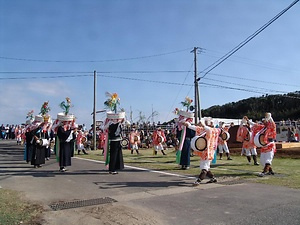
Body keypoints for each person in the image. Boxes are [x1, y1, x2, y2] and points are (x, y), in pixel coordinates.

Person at [185, 117, 221, 185]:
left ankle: (198, 181)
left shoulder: (215, 130)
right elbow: (196, 128)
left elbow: (208, 130)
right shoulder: (204, 129)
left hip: (209, 152)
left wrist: (203, 124)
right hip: (204, 152)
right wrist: (188, 125)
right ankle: (213, 178)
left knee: (204, 168)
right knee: (205, 167)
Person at [103, 92, 125, 174]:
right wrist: (112, 123)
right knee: (113, 155)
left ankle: (116, 167)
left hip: (118, 139)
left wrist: (121, 120)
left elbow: (127, 123)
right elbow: (104, 128)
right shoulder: (110, 123)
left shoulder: (119, 123)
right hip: (113, 140)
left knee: (118, 154)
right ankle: (112, 168)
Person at [251, 113, 277, 177]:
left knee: (268, 159)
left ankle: (264, 172)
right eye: (263, 121)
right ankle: (270, 171)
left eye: (264, 121)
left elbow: (273, 123)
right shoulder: (263, 128)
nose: (263, 122)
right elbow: (255, 125)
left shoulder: (271, 127)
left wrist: (270, 117)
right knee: (262, 161)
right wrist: (248, 121)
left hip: (270, 145)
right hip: (264, 146)